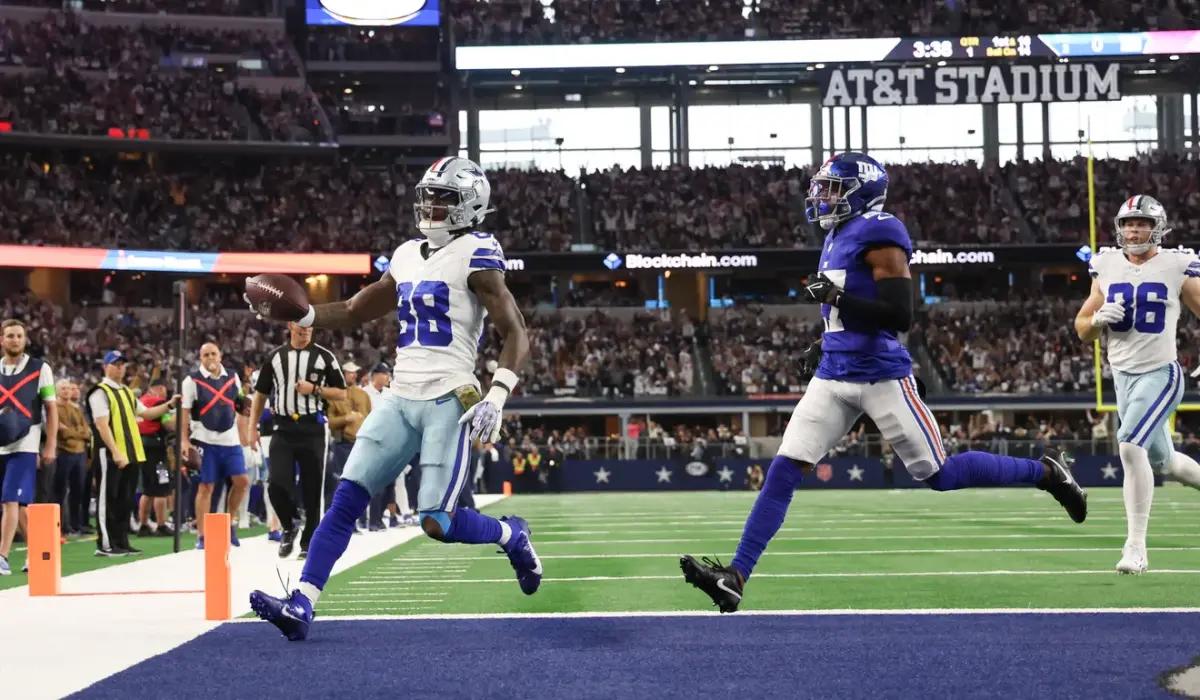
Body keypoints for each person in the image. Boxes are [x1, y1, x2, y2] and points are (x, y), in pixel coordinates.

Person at [679, 152, 1088, 614]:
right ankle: (736, 575)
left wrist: (836, 296)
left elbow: (899, 315)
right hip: (834, 374)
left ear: (862, 191)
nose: (822, 196)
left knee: (940, 475)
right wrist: (824, 341)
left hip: (880, 375)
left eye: (833, 188)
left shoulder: (882, 231)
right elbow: (846, 311)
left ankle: (1048, 473)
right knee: (785, 468)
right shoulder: (836, 234)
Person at [250, 156, 539, 641]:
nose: (431, 205)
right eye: (427, 195)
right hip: (400, 396)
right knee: (346, 500)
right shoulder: (406, 253)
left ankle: (513, 535)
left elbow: (516, 331)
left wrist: (499, 393)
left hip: (450, 396)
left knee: (437, 521)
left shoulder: (478, 251)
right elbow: (354, 308)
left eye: (443, 197)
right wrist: (299, 317)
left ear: (471, 205)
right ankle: (303, 602)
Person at [1074, 194, 1200, 574]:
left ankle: (1136, 548)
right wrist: (1097, 321)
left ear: (1157, 228)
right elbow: (1081, 329)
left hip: (1161, 372)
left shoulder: (1177, 264)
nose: (1134, 229)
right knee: (1164, 462)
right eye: (1129, 223)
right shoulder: (1106, 264)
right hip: (1123, 377)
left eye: (1142, 223)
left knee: (1129, 444)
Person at [250, 323, 346, 559]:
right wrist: (252, 426)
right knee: (275, 483)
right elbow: (260, 393)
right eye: (301, 327)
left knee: (313, 488)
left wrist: (314, 389)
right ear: (291, 325)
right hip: (282, 427)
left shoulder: (324, 356)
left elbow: (341, 392)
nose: (305, 331)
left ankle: (308, 543)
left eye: (310, 327)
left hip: (312, 427)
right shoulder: (275, 357)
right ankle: (289, 524)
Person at [87, 350, 176, 557]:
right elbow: (102, 425)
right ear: (106, 367)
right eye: (115, 363)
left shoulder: (127, 392)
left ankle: (121, 541)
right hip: (110, 453)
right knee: (108, 499)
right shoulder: (100, 392)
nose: (119, 367)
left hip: (133, 452)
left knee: (125, 500)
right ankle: (106, 544)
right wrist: (116, 452)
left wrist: (170, 404)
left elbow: (146, 413)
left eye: (122, 364)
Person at [0, 319, 57, 576]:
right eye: (10, 335)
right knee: (20, 505)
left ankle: (2, 556)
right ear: (2, 340)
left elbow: (51, 408)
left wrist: (50, 445)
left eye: (19, 336)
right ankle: (38, 553)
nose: (14, 340)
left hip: (27, 441)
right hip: (1, 442)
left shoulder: (39, 368)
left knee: (10, 499)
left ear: (25, 339)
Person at [181, 342, 250, 549]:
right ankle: (202, 535)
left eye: (213, 354)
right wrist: (184, 441)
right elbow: (184, 411)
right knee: (206, 486)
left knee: (242, 481)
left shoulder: (232, 375)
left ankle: (229, 523)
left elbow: (238, 402)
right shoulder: (191, 380)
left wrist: (245, 410)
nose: (210, 358)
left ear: (220, 356)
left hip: (230, 439)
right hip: (204, 438)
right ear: (200, 358)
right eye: (205, 355)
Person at [136, 383, 174, 537]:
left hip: (142, 447)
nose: (164, 394)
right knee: (161, 490)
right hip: (157, 449)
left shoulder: (141, 401)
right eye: (163, 390)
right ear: (157, 389)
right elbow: (169, 424)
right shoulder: (158, 404)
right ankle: (161, 524)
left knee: (147, 490)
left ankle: (143, 525)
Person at [55, 380, 91, 535]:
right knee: (60, 491)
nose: (66, 391)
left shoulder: (76, 409)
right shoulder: (54, 408)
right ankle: (61, 525)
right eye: (63, 388)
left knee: (78, 490)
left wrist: (72, 432)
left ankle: (76, 525)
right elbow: (60, 431)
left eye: (68, 389)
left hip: (80, 454)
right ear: (57, 391)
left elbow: (87, 432)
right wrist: (78, 433)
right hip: (63, 453)